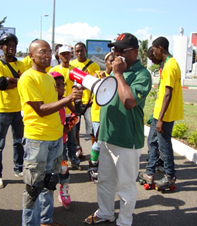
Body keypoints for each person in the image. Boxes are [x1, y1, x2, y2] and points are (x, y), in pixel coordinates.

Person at [84, 33, 152, 226]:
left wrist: (119, 74)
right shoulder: (113, 71)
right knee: (105, 181)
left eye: (122, 50)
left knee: (125, 186)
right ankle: (105, 212)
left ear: (135, 52)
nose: (116, 54)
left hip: (127, 140)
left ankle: (124, 221)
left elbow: (129, 101)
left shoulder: (142, 74)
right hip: (107, 137)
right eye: (114, 49)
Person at [18, 39, 82, 226]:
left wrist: (74, 102)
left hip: (55, 138)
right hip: (37, 139)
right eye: (42, 52)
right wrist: (69, 97)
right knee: (33, 187)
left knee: (49, 182)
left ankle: (45, 221)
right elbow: (41, 109)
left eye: (48, 52)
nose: (47, 55)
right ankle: (31, 224)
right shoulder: (28, 78)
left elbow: (56, 105)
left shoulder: (48, 77)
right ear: (31, 55)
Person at [143, 36, 183, 190]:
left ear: (160, 48)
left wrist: (160, 120)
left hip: (165, 116)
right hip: (159, 114)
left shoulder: (171, 66)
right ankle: (150, 173)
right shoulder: (166, 64)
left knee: (164, 146)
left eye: (153, 50)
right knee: (152, 142)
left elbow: (168, 94)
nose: (153, 54)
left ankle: (170, 177)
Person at [0, 33, 26, 189]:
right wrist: (15, 82)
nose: (11, 48)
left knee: (19, 142)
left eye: (13, 45)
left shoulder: (21, 65)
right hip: (3, 110)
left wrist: (10, 80)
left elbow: (25, 83)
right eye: (8, 45)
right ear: (2, 47)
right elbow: (0, 84)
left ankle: (18, 168)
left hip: (18, 110)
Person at [49, 71, 78, 210]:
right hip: (47, 142)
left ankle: (64, 189)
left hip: (62, 142)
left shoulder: (64, 100)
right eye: (57, 85)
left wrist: (68, 126)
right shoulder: (47, 100)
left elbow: (76, 114)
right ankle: (46, 197)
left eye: (63, 84)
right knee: (48, 172)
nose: (61, 88)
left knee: (63, 167)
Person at [50, 45, 81, 170]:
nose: (65, 56)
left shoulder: (76, 70)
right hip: (58, 110)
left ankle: (73, 158)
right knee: (60, 140)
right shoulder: (54, 70)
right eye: (63, 54)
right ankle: (62, 163)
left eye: (68, 53)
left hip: (71, 111)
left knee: (72, 137)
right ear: (59, 55)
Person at [88, 52, 115, 183]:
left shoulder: (118, 77)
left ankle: (104, 168)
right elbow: (96, 91)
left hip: (112, 115)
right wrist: (102, 80)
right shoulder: (98, 74)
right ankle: (93, 165)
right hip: (98, 115)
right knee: (98, 142)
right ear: (105, 62)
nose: (112, 62)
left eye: (115, 60)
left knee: (108, 144)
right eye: (110, 60)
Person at [71, 42, 100, 158]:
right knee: (75, 129)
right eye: (77, 51)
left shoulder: (93, 65)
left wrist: (92, 98)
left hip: (88, 103)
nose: (79, 53)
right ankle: (78, 149)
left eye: (81, 50)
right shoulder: (72, 65)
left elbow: (97, 84)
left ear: (86, 51)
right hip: (75, 103)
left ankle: (95, 153)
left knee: (92, 129)